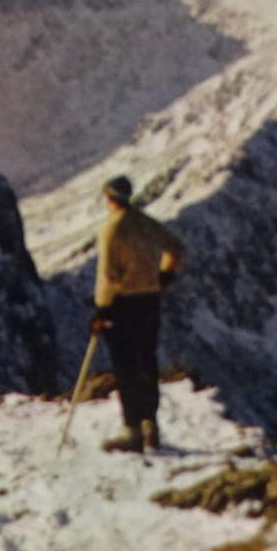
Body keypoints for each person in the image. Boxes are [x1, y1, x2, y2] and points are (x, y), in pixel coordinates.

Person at [91, 175, 185, 453]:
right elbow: (176, 249)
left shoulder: (112, 229)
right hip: (150, 301)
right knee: (147, 362)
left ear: (109, 197)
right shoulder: (146, 223)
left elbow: (108, 275)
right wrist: (163, 278)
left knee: (126, 368)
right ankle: (150, 427)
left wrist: (102, 309)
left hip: (123, 305)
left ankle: (131, 430)